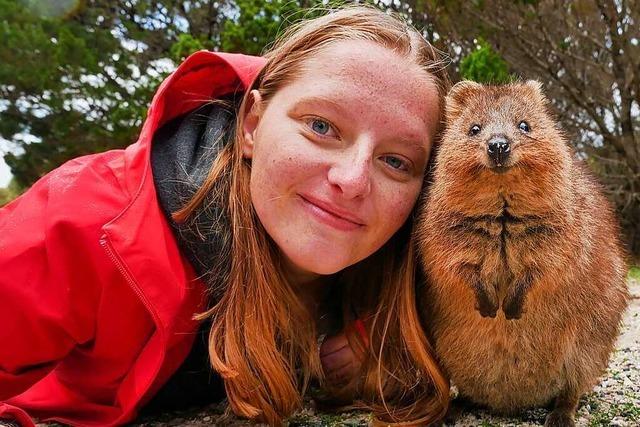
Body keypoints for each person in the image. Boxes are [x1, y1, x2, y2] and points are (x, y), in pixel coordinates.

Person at [0, 6, 451, 427]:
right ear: (252, 122)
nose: (352, 180)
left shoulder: (433, 267)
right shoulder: (90, 222)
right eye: (320, 126)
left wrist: (368, 333)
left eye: (396, 161)